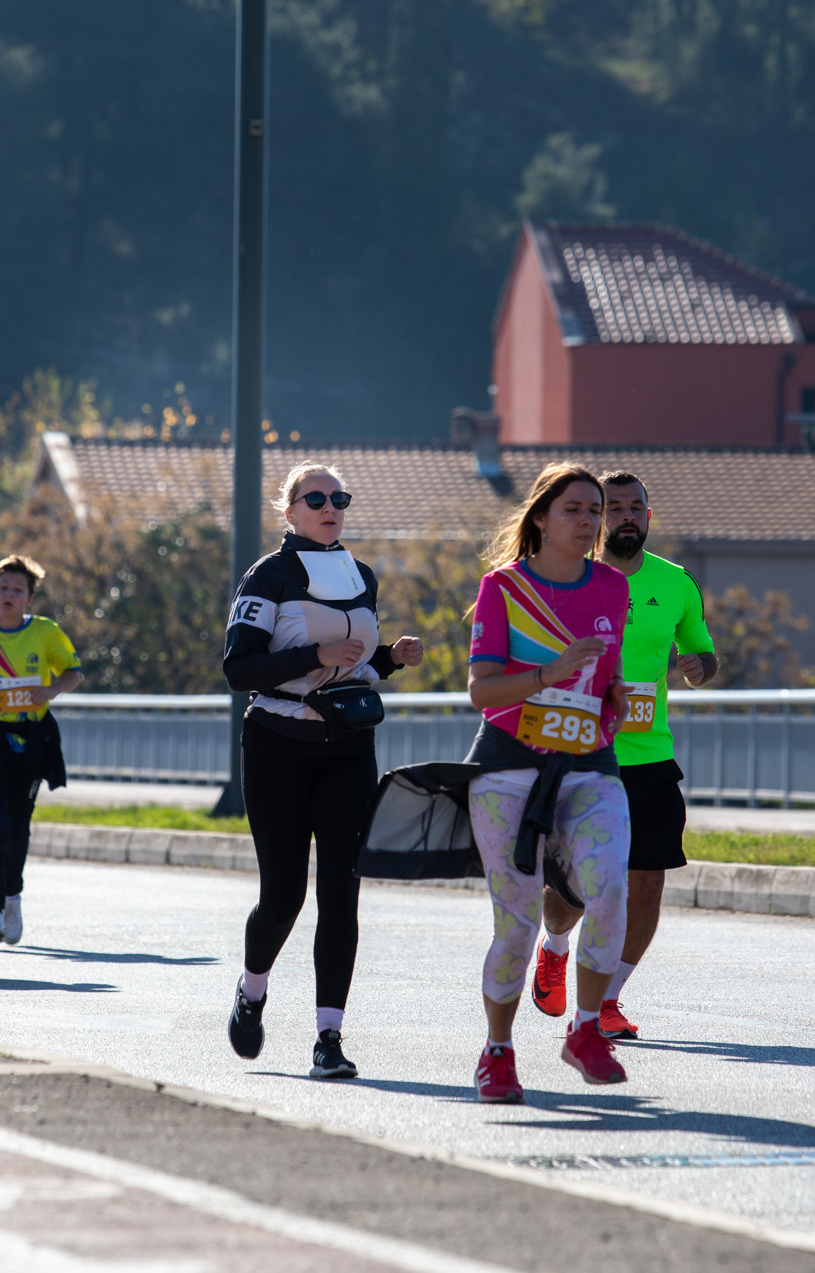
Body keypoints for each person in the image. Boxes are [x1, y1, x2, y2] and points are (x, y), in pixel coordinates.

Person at [221, 463, 424, 1080]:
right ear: (289, 511)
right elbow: (239, 668)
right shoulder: (270, 574)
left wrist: (388, 659)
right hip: (277, 745)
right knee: (283, 896)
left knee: (342, 893)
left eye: (339, 497)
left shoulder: (360, 574)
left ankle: (328, 1037)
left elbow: (353, 666)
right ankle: (252, 991)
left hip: (347, 749)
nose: (330, 505)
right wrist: (314, 655)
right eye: (315, 497)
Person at [463, 465, 632, 1103]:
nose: (589, 521)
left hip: (589, 761)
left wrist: (615, 697)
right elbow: (482, 691)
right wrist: (550, 673)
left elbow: (603, 676)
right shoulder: (504, 587)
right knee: (517, 921)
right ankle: (498, 1051)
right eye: (574, 510)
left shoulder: (612, 587)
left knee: (609, 887)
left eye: (596, 511)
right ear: (540, 517)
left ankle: (585, 1030)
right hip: (509, 764)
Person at [531, 474, 717, 1040]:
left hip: (650, 753)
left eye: (636, 507)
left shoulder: (676, 583)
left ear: (648, 517)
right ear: (595, 517)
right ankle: (556, 945)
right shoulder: (565, 576)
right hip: (581, 750)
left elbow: (704, 652)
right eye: (615, 508)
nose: (626, 516)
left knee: (648, 882)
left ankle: (609, 997)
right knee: (580, 884)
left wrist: (698, 668)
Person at [0, 554, 80, 949]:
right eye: (3, 588)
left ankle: (12, 898)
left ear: (30, 598)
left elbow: (73, 672)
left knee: (17, 825)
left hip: (32, 737)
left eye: (18, 590)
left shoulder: (45, 632)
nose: (9, 595)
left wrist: (51, 689)